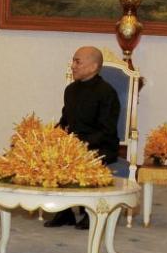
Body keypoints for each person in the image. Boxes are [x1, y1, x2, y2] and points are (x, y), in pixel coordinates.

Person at [46, 45, 121, 229]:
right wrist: (50, 136)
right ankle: (65, 212)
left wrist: (80, 145)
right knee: (49, 154)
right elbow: (65, 122)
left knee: (79, 157)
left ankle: (91, 212)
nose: (72, 65)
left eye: (77, 61)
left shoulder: (107, 93)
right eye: (73, 61)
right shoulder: (70, 90)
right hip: (75, 143)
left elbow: (107, 130)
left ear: (93, 66)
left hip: (102, 146)